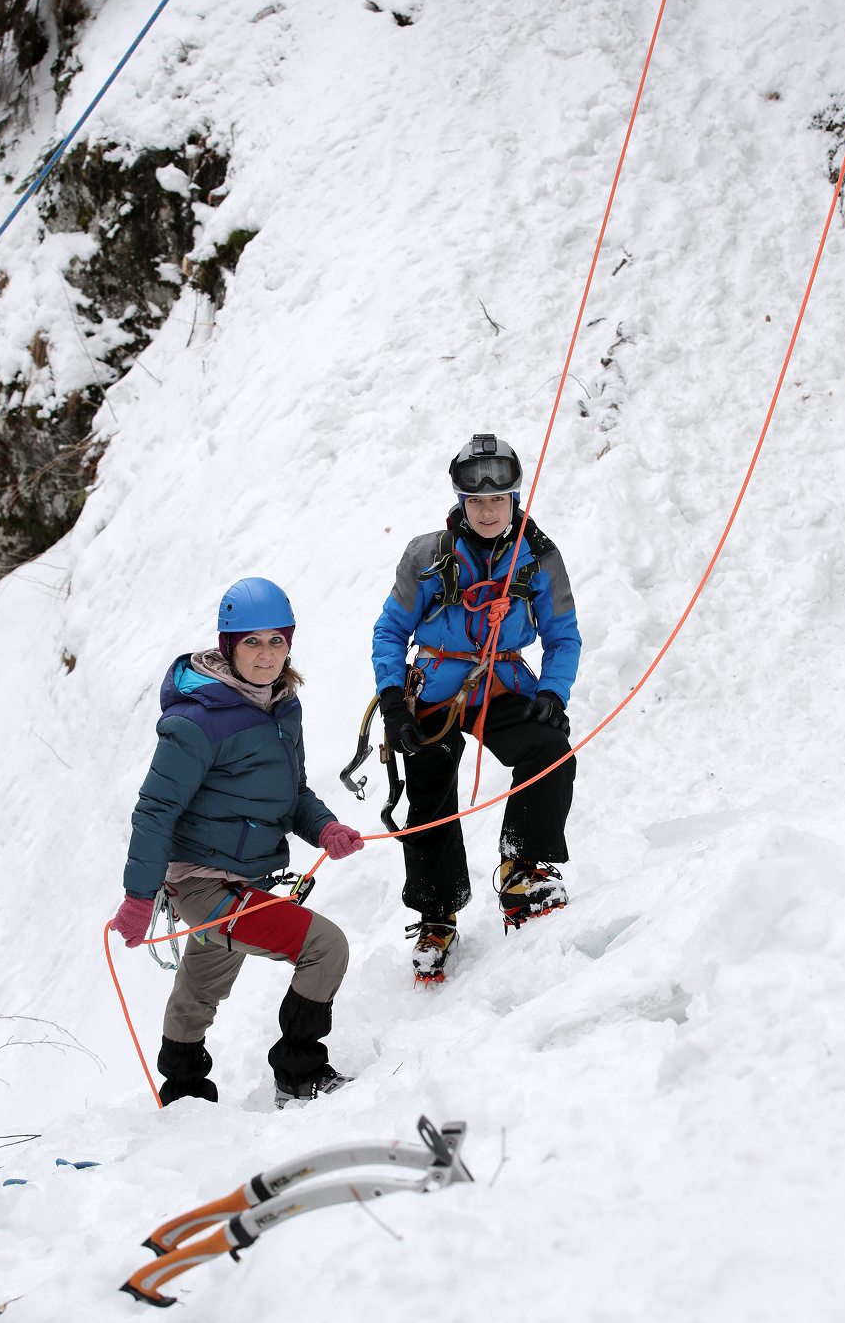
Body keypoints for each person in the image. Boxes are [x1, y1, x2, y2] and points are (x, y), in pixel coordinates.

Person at [109, 577, 364, 1107]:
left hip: (242, 880)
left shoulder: (282, 708)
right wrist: (138, 897)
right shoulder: (195, 721)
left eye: (276, 640)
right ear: (228, 646)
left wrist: (325, 828)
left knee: (200, 989)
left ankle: (182, 1093)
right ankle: (299, 1074)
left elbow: (292, 793)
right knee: (325, 947)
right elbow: (155, 811)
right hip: (204, 888)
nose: (266, 654)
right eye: (251, 641)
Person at [372, 434, 581, 982]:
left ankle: (523, 866)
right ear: (461, 502)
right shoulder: (426, 555)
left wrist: (553, 694)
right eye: (477, 502)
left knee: (549, 750)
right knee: (430, 789)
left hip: (501, 683)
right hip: (435, 688)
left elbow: (564, 636)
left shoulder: (538, 557)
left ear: (514, 498)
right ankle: (436, 916)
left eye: (499, 500)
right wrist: (393, 700)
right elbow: (391, 630)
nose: (488, 512)